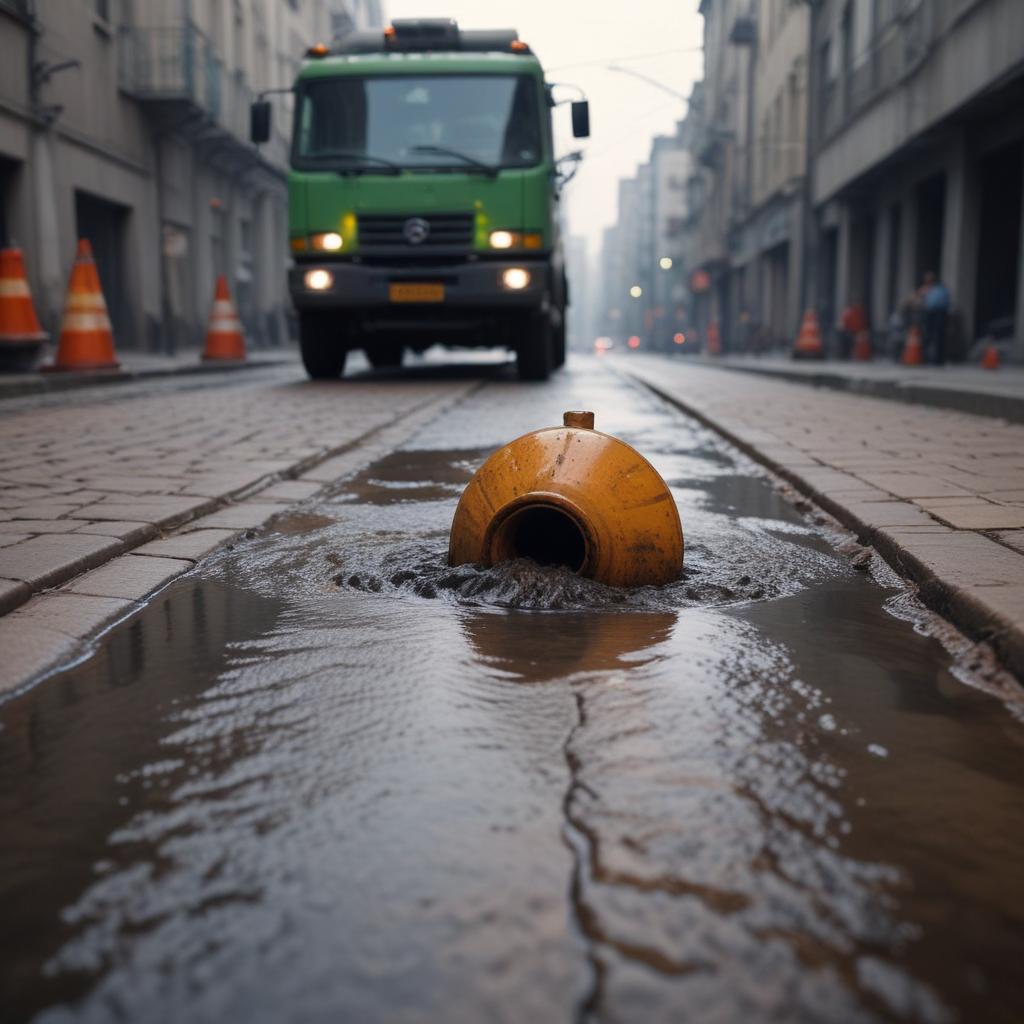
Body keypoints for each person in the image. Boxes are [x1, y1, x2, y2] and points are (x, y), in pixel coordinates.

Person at [921, 271, 951, 366]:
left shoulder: (940, 289)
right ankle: (927, 358)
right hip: (930, 314)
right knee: (928, 336)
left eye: (929, 280)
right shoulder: (926, 289)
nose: (927, 282)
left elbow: (942, 303)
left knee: (939, 336)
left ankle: (939, 359)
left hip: (940, 313)